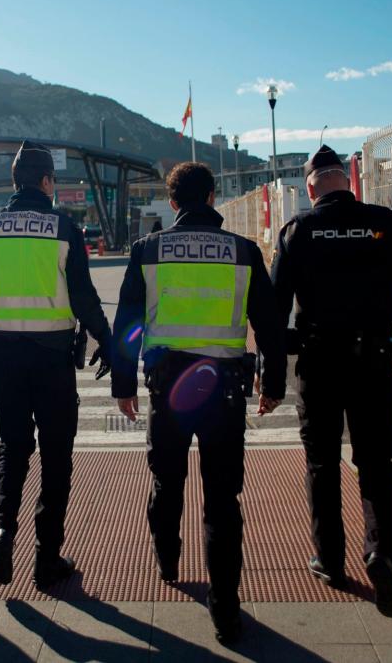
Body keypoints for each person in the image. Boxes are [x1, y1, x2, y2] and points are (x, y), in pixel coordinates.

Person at [112, 162, 286, 644]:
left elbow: (128, 323)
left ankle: (168, 558)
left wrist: (122, 385)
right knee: (222, 498)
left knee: (167, 481)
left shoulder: (149, 250)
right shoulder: (244, 251)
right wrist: (273, 384)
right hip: (224, 389)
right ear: (212, 197)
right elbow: (270, 327)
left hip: (167, 388)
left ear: (172, 203)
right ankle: (225, 607)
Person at [270, 145, 392, 618]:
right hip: (374, 360)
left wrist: (274, 369)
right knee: (377, 463)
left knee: (322, 461)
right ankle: (381, 553)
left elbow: (274, 307)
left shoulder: (298, 230)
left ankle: (330, 560)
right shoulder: (385, 222)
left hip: (319, 362)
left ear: (310, 188)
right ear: (347, 181)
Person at [0, 140, 112, 589]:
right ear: (47, 182)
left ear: (13, 182)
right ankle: (47, 558)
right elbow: (83, 297)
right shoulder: (63, 228)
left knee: (13, 446)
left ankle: (2, 532)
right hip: (53, 360)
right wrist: (108, 340)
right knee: (56, 455)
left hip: (2, 360)